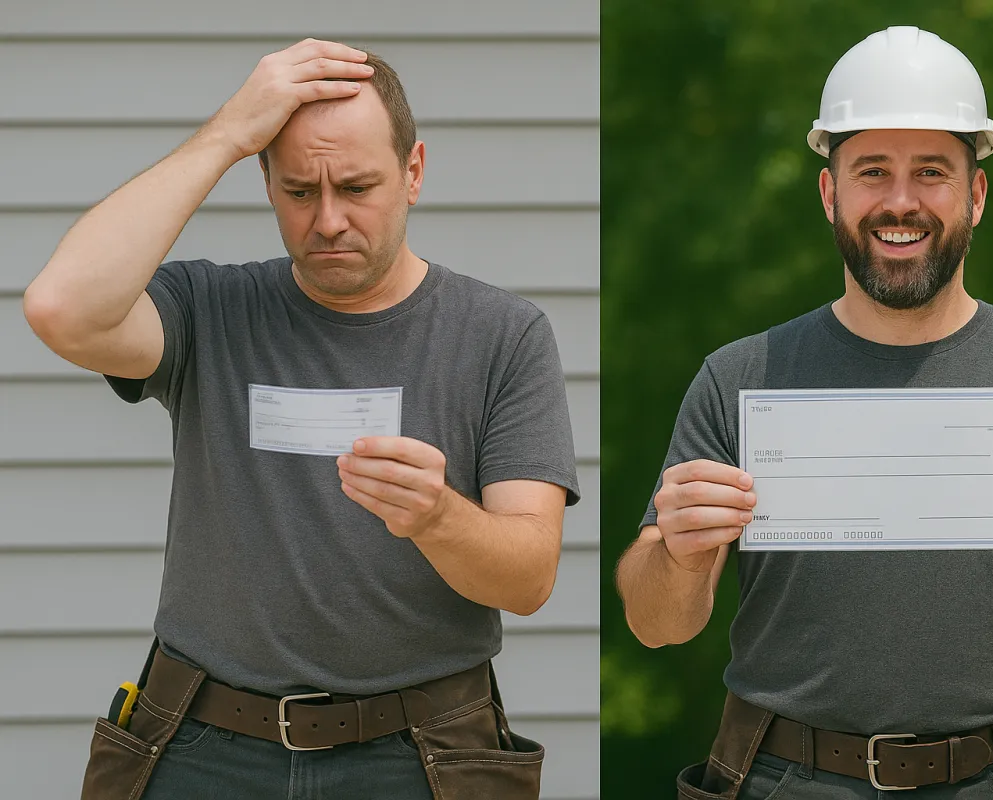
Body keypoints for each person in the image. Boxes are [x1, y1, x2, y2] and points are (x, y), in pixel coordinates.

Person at [615, 26, 993, 800]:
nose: (900, 200)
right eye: (872, 171)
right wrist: (674, 555)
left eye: (932, 172)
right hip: (784, 779)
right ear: (830, 194)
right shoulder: (741, 379)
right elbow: (658, 624)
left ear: (976, 195)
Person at [24, 39, 579, 800]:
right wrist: (225, 134)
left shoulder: (500, 335)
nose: (328, 220)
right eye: (298, 190)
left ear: (413, 172)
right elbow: (61, 308)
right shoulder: (210, 312)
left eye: (357, 187)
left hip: (421, 753)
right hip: (201, 741)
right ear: (265, 181)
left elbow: (528, 577)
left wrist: (438, 516)